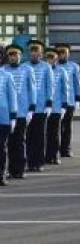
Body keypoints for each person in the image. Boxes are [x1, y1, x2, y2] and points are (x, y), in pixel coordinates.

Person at [2, 44, 35, 180]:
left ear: (20, 56)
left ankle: (20, 169)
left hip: (22, 111)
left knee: (20, 141)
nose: (13, 57)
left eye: (15, 54)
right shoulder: (3, 70)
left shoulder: (27, 69)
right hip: (8, 113)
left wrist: (31, 109)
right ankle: (11, 169)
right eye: (11, 55)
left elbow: (32, 89)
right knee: (9, 143)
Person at [22, 40, 53, 173]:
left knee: (40, 136)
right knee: (28, 136)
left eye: (37, 53)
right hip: (27, 108)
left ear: (41, 54)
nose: (34, 56)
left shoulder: (46, 67)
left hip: (41, 107)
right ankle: (30, 162)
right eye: (32, 53)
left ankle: (39, 162)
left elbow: (50, 86)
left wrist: (49, 104)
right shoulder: (24, 66)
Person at [43, 47, 70, 165]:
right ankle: (46, 156)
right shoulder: (42, 70)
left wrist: (64, 105)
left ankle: (55, 155)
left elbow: (65, 89)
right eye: (48, 58)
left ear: (56, 58)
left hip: (57, 107)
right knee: (45, 133)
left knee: (55, 133)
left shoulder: (61, 71)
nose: (50, 60)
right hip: (44, 107)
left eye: (52, 58)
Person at [54, 43, 80, 158]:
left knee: (67, 126)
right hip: (56, 102)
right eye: (59, 53)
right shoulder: (53, 66)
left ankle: (66, 149)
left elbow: (77, 82)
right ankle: (54, 149)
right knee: (55, 128)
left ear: (68, 54)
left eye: (64, 52)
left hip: (69, 101)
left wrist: (78, 98)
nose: (62, 55)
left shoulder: (73, 66)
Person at [0, 65, 16, 185]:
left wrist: (13, 117)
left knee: (1, 148)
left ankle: (1, 175)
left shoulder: (7, 76)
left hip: (3, 117)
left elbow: (12, 98)